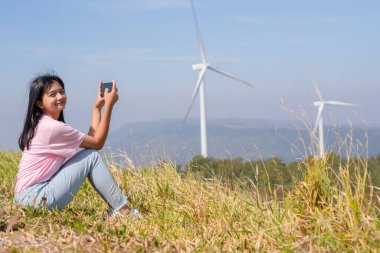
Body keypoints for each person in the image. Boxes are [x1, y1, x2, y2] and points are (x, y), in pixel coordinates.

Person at [14, 73, 134, 217]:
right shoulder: (52, 128)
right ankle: (124, 212)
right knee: (92, 157)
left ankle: (121, 210)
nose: (60, 97)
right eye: (52, 94)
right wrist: (108, 106)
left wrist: (97, 108)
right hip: (37, 198)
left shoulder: (42, 123)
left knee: (90, 154)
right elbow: (98, 143)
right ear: (40, 103)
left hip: (27, 199)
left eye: (62, 92)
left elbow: (91, 141)